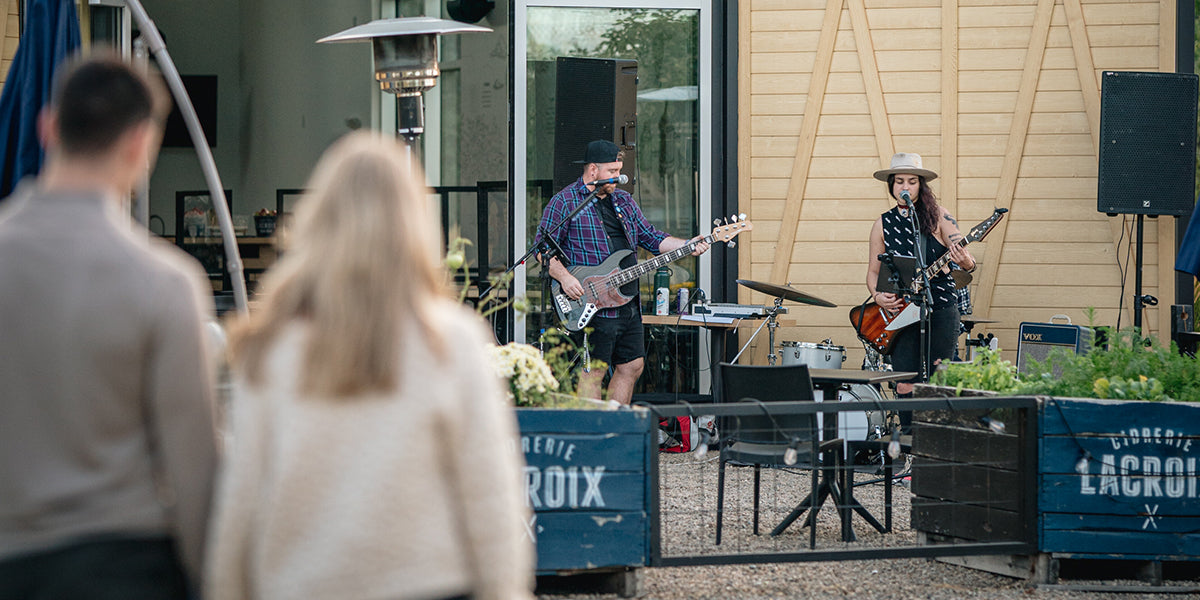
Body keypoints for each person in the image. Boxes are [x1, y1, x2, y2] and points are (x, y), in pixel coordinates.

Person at [206, 132, 534, 600]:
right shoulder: (452, 340)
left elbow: (241, 502)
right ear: (415, 224)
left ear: (319, 221)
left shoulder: (271, 346)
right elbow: (491, 499)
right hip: (428, 581)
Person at [0, 53, 218, 597]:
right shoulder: (166, 284)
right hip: (126, 563)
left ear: (46, 126)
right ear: (140, 144)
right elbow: (194, 472)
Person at [536, 139, 709, 405]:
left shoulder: (624, 201)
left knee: (632, 366)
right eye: (612, 172)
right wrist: (565, 277)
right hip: (591, 301)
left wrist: (687, 245)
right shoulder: (565, 202)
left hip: (627, 300)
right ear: (593, 170)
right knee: (594, 371)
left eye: (620, 170)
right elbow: (542, 250)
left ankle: (616, 430)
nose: (619, 177)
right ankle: (592, 439)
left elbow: (652, 238)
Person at [865, 153, 975, 399]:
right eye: (900, 181)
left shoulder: (939, 215)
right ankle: (906, 431)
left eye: (912, 181)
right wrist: (877, 296)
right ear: (891, 185)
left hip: (941, 306)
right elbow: (873, 272)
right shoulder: (882, 223)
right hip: (902, 310)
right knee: (904, 379)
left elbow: (966, 257)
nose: (905, 187)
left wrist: (965, 260)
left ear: (920, 185)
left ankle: (937, 431)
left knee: (941, 375)